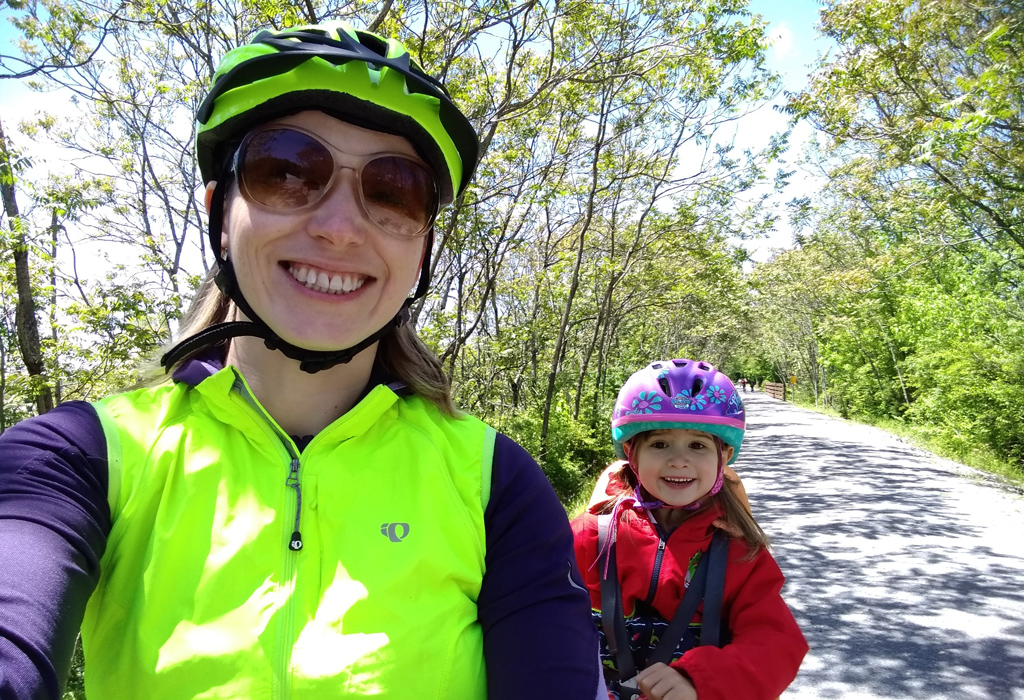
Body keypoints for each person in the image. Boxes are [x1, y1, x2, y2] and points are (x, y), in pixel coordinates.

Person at [0, 22, 605, 700]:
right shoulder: (82, 457)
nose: (340, 227)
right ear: (216, 210)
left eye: (394, 190)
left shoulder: (495, 482)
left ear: (423, 250)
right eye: (286, 171)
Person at [571, 360, 807, 700]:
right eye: (660, 444)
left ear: (722, 457)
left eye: (697, 446)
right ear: (630, 453)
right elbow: (543, 614)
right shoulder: (590, 536)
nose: (678, 460)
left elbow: (775, 642)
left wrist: (702, 680)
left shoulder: (738, 551)